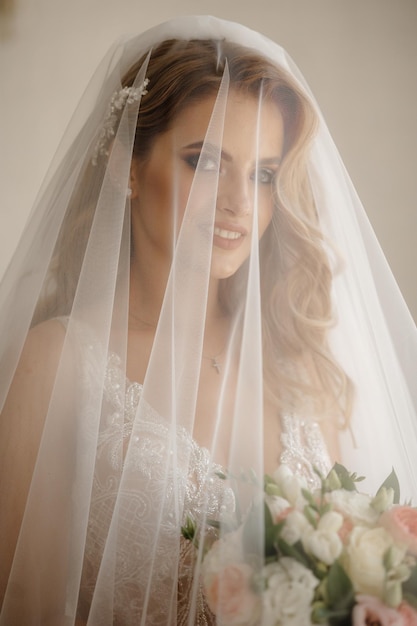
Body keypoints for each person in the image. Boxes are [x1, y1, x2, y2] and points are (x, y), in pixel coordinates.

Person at [0, 15, 416, 626]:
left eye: (263, 175)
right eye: (206, 162)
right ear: (128, 167)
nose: (239, 204)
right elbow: (27, 609)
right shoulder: (57, 366)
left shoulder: (301, 364)